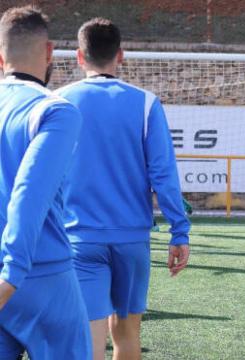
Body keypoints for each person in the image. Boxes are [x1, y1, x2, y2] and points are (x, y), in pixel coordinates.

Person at [55, 18, 190, 360]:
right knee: (127, 335)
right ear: (121, 55)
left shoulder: (58, 102)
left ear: (78, 56)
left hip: (79, 238)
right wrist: (179, 231)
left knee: (89, 339)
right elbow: (163, 174)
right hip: (131, 240)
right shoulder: (145, 103)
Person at [0, 5, 92, 359]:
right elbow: (29, 190)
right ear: (50, 51)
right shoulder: (55, 110)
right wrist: (12, 273)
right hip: (39, 274)